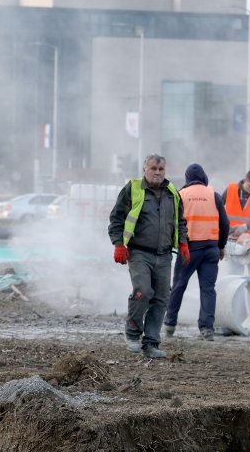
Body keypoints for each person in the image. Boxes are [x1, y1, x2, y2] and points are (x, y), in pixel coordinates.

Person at [108, 154, 188, 359]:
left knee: (162, 298)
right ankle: (133, 333)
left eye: (161, 169)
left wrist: (183, 243)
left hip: (164, 255)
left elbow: (180, 221)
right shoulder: (132, 189)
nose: (157, 172)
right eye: (153, 168)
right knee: (142, 291)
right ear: (145, 169)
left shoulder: (173, 193)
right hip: (139, 252)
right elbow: (116, 219)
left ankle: (151, 343)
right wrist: (118, 244)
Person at [163, 164, 230, 342]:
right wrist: (221, 246)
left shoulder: (180, 194)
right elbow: (225, 223)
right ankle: (207, 329)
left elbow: (170, 221)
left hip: (189, 249)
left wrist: (171, 244)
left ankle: (169, 325)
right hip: (211, 249)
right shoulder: (213, 195)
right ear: (203, 176)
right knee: (208, 289)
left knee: (178, 286)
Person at [221, 169, 250, 273]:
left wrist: (245, 227)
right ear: (245, 179)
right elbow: (218, 207)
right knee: (235, 274)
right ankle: (239, 290)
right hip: (233, 238)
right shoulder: (231, 189)